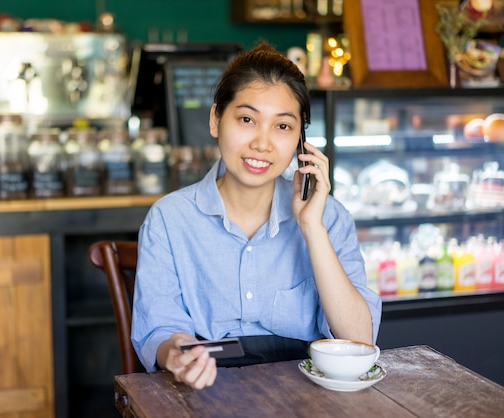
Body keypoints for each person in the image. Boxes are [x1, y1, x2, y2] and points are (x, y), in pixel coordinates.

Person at [131, 43, 382, 390]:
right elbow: (158, 330)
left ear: (301, 141)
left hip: (306, 398)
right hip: (204, 389)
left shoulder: (330, 218)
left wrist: (311, 227)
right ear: (216, 119)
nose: (262, 144)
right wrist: (175, 352)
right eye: (247, 119)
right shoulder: (169, 219)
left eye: (282, 127)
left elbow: (359, 340)